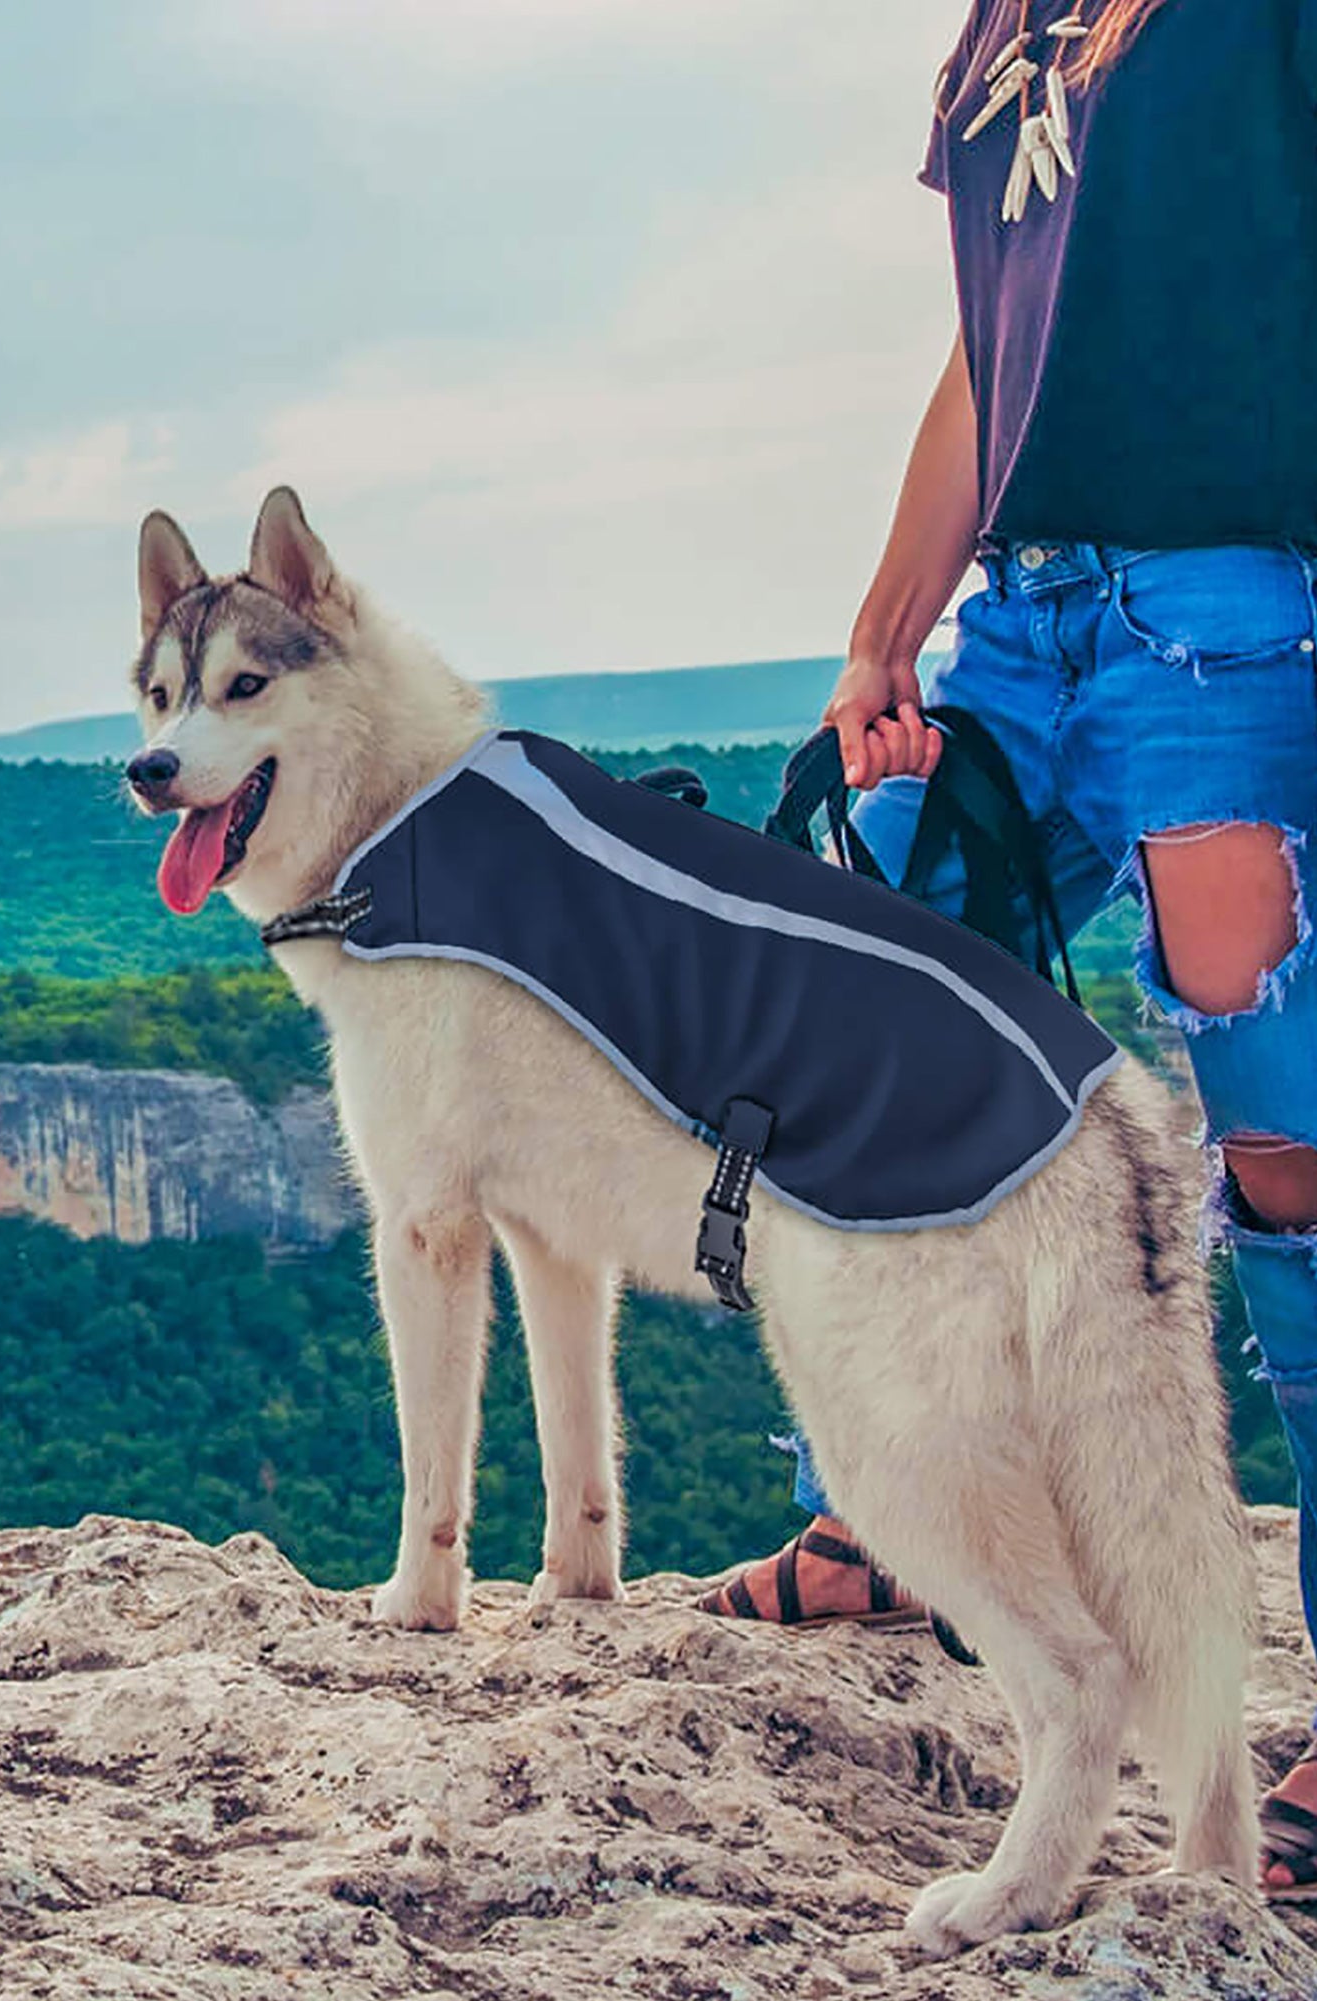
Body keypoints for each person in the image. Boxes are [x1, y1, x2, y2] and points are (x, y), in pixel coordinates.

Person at [696, 0, 1317, 1900]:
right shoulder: (1011, 27)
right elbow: (991, 351)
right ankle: (891, 1516)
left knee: (1282, 1149)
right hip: (1023, 628)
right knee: (860, 1007)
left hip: (1223, 605)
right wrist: (890, 624)